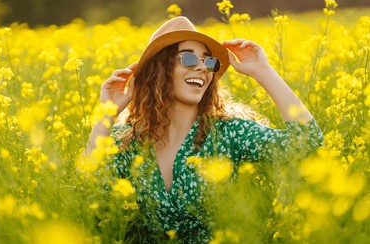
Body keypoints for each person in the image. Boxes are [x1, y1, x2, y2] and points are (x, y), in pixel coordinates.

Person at [86, 16, 323, 243]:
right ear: (160, 69)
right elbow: (90, 191)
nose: (202, 68)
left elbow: (307, 142)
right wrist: (106, 115)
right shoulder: (127, 141)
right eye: (188, 59)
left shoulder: (227, 133)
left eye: (209, 61)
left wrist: (263, 71)